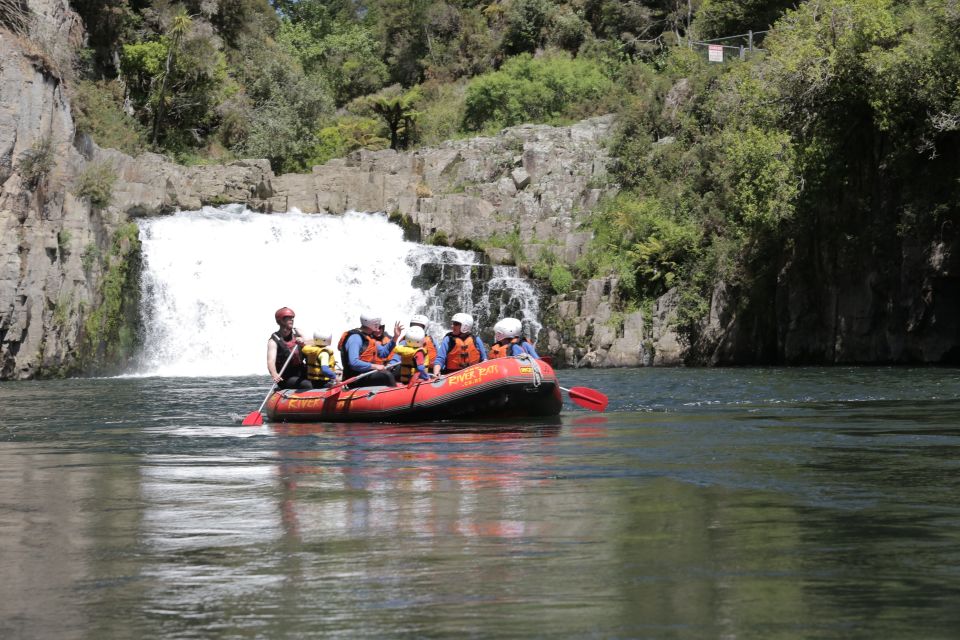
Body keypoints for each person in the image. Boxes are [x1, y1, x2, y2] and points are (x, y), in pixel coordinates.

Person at [337, 312, 402, 388]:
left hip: (367, 373)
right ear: (371, 324)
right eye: (377, 323)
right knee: (386, 375)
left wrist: (395, 337)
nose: (379, 325)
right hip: (355, 377)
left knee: (398, 369)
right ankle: (392, 396)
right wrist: (375, 366)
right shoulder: (355, 338)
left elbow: (383, 353)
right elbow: (353, 362)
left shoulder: (368, 337)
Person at [266, 306, 311, 389]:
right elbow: (270, 362)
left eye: (292, 318)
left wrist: (303, 342)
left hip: (301, 370)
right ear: (281, 321)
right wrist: (274, 374)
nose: (292, 320)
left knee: (320, 380)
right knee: (307, 385)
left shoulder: (298, 332)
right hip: (286, 377)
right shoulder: (273, 341)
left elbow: (313, 344)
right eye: (289, 318)